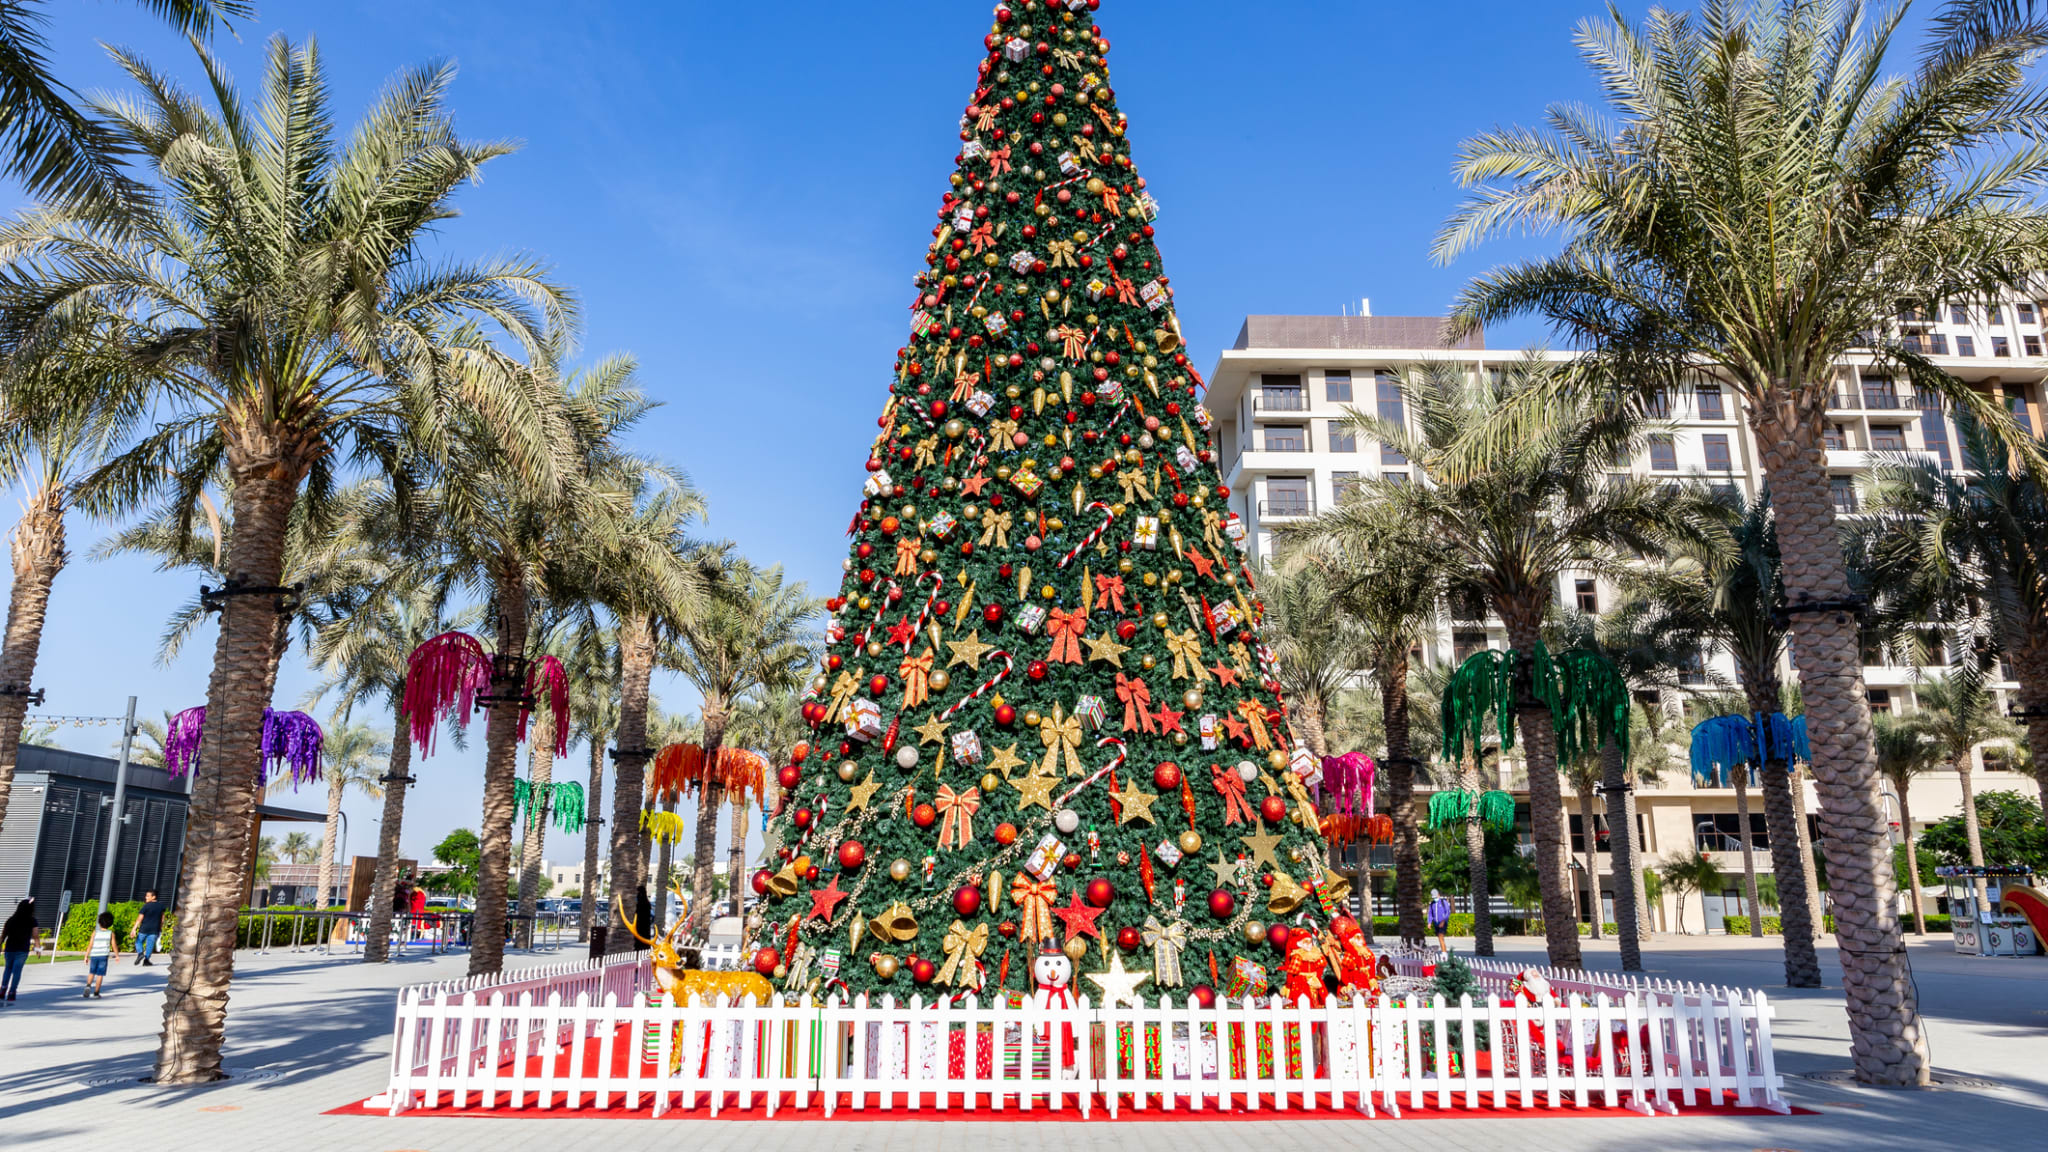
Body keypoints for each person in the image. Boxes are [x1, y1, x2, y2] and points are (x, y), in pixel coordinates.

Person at [3, 898, 37, 1003]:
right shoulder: (32, 920)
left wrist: (0, 944)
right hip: (22, 949)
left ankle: (2, 989)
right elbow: (36, 935)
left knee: (8, 969)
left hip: (9, 948)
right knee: (17, 971)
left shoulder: (11, 919)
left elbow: (4, 933)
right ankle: (12, 992)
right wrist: (38, 948)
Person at [85, 911, 119, 998]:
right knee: (100, 974)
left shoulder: (95, 933)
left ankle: (88, 985)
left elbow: (90, 944)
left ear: (99, 922)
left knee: (92, 972)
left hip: (94, 955)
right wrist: (117, 955)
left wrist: (86, 956)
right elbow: (114, 945)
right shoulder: (111, 933)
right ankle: (96, 993)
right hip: (103, 956)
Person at [133, 890, 166, 966]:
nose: (146, 897)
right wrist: (160, 928)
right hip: (154, 929)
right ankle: (146, 960)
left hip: (144, 928)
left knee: (138, 942)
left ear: (153, 897)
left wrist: (134, 929)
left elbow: (139, 918)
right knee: (150, 945)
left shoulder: (146, 906)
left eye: (148, 896)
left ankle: (140, 953)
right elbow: (162, 919)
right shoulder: (161, 906)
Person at [1425, 889, 1454, 953]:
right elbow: (1430, 914)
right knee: (1440, 938)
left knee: (1441, 937)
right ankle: (1444, 952)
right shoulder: (1432, 904)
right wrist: (1429, 922)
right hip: (1436, 923)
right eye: (1434, 897)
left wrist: (1443, 921)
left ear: (1438, 895)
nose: (1435, 898)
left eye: (1436, 897)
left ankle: (1444, 953)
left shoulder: (1444, 902)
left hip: (1443, 923)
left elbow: (1448, 912)